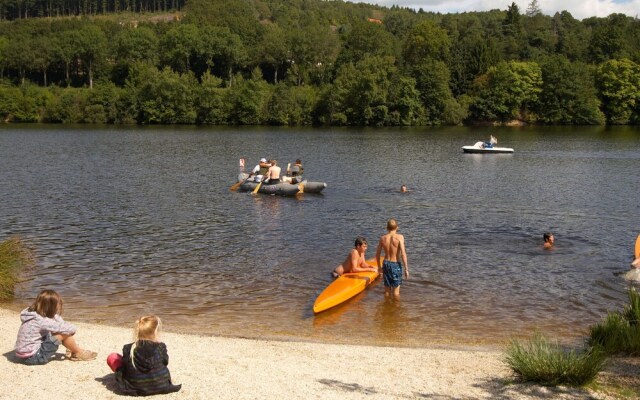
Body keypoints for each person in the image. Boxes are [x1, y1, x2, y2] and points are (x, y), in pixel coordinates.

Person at [14, 289, 97, 364]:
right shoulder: (42, 321)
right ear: (51, 306)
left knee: (58, 330)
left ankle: (72, 348)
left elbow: (59, 323)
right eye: (58, 304)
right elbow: (71, 329)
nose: (59, 307)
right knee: (62, 334)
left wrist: (55, 317)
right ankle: (78, 353)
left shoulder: (33, 314)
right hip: (34, 357)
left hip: (23, 354)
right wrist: (69, 331)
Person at [108, 315, 181, 396]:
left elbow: (126, 365)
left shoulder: (128, 348)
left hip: (135, 388)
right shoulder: (161, 346)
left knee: (112, 357)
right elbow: (165, 361)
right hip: (162, 385)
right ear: (155, 332)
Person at [375, 219, 409, 299]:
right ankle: (396, 310)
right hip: (395, 264)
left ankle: (386, 308)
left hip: (386, 264)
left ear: (387, 228)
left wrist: (379, 267)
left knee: (387, 291)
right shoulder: (400, 237)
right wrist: (406, 269)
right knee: (396, 293)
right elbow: (403, 254)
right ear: (397, 227)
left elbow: (377, 254)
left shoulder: (383, 238)